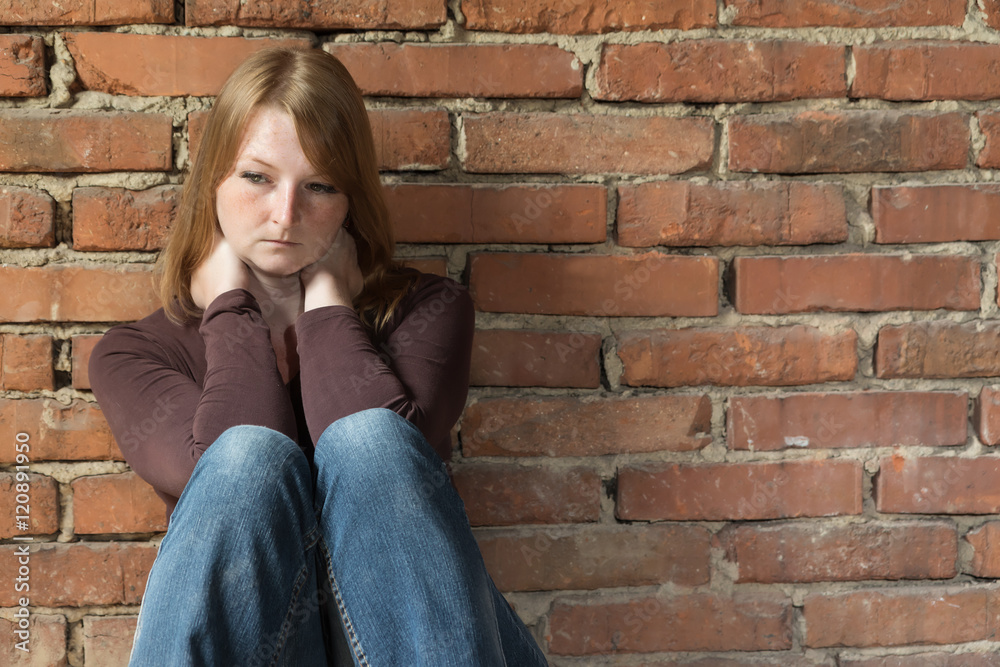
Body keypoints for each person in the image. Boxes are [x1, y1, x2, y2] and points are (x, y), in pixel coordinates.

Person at [88, 46, 549, 666]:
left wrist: (328, 301)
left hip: (419, 643)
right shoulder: (134, 354)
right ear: (213, 183)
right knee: (247, 457)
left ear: (350, 200)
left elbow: (389, 473)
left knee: (371, 444)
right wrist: (231, 304)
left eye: (320, 186)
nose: (284, 215)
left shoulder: (428, 309)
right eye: (256, 177)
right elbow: (227, 466)